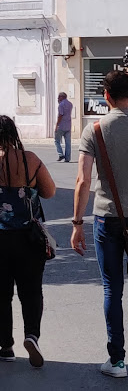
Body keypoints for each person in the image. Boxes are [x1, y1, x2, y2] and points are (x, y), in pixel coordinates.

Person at [71, 71, 128, 378]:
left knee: (112, 288)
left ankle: (117, 361)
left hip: (105, 217)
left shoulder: (93, 130)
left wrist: (76, 223)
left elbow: (83, 180)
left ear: (106, 96)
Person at [0, 116, 55, 367]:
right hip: (29, 239)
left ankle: (5, 345)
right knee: (31, 291)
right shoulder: (29, 158)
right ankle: (31, 335)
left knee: (1, 294)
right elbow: (50, 191)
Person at [54, 92, 73, 162]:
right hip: (68, 125)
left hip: (61, 125)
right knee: (68, 143)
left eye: (59, 97)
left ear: (62, 97)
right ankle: (67, 158)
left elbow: (60, 115)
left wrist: (57, 125)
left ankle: (60, 154)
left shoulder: (61, 105)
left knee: (57, 140)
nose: (58, 98)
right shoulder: (70, 104)